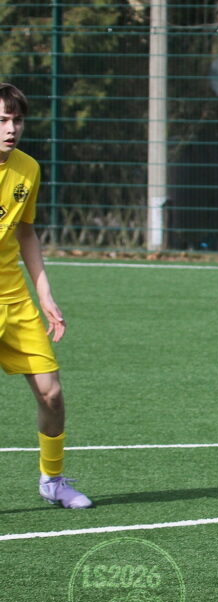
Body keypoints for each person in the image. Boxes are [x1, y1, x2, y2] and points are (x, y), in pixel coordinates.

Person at [0, 83, 92, 509]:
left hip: (14, 299)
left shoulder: (28, 169)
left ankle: (52, 481)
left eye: (16, 120)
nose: (11, 128)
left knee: (51, 393)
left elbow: (26, 231)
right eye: (2, 120)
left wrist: (45, 294)